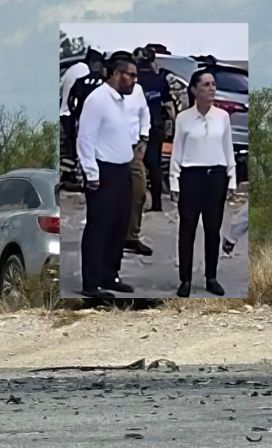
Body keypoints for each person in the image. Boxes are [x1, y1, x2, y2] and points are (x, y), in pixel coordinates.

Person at [76, 51, 139, 299]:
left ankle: (109, 274)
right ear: (116, 74)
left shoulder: (122, 102)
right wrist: (91, 173)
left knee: (118, 226)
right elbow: (86, 139)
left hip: (122, 170)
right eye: (130, 75)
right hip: (103, 172)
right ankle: (91, 282)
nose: (134, 80)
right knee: (98, 226)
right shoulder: (98, 100)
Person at [169, 69, 237, 297]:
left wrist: (232, 179)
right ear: (194, 89)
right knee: (187, 228)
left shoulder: (222, 117)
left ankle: (211, 277)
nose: (211, 89)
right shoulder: (183, 118)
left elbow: (228, 149)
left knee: (212, 229)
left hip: (216, 176)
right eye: (206, 84)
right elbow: (176, 152)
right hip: (191, 177)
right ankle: (185, 279)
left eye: (213, 84)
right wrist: (174, 182)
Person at [136, 45, 175, 212]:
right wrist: (175, 126)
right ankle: (157, 204)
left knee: (137, 165)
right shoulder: (160, 79)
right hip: (156, 125)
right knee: (155, 164)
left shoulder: (133, 80)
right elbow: (169, 106)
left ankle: (138, 201)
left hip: (137, 128)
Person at [61, 49, 106, 189]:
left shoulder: (76, 73)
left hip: (72, 117)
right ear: (95, 63)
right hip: (86, 120)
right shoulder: (91, 76)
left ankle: (80, 178)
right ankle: (85, 178)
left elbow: (69, 99)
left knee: (78, 151)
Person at [122, 53, 152, 257]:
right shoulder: (104, 95)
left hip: (133, 149)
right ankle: (114, 237)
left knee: (139, 192)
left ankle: (131, 236)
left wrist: (144, 138)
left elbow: (145, 114)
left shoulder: (138, 91)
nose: (133, 79)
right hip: (111, 151)